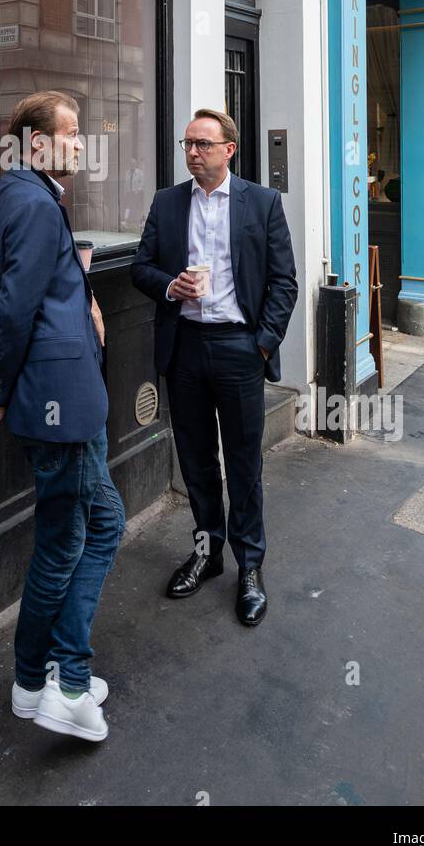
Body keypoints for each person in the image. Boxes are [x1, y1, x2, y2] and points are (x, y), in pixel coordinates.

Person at [0, 90, 123, 742]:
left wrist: (80, 292)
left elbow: (28, 292)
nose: (82, 143)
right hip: (56, 400)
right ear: (37, 142)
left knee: (92, 524)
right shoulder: (32, 202)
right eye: (72, 132)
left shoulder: (20, 194)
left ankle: (32, 682)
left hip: (56, 395)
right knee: (70, 541)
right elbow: (12, 310)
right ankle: (67, 682)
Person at [131, 108, 297, 627]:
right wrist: (167, 285)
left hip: (238, 348)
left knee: (244, 463)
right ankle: (207, 550)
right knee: (197, 460)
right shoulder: (168, 202)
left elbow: (283, 282)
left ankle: (251, 567)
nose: (192, 153)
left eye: (202, 144)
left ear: (230, 149)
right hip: (185, 348)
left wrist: (262, 346)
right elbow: (141, 266)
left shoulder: (262, 203)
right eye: (187, 144)